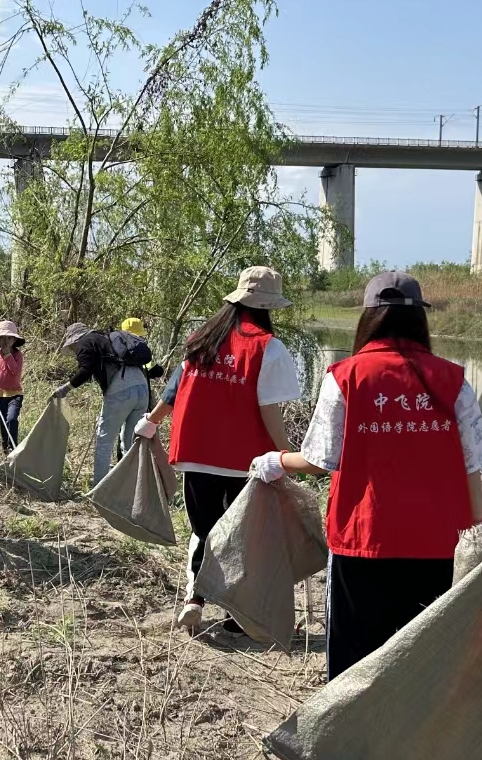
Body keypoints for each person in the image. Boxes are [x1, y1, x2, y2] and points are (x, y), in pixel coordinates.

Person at [254, 270, 482, 678]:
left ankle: (351, 723)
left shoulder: (345, 377)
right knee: (426, 664)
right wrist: (477, 531)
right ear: (420, 318)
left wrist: (277, 460)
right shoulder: (454, 381)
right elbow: (473, 466)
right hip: (437, 549)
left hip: (362, 544)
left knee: (353, 666)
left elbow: (319, 460)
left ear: (368, 318)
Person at [135, 267, 302, 632]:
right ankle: (235, 615)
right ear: (268, 307)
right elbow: (269, 409)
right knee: (242, 534)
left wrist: (151, 421)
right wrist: (286, 455)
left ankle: (195, 598)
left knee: (204, 529)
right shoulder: (268, 347)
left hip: (196, 452)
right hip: (246, 459)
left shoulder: (202, 339)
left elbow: (174, 389)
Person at [54, 322, 150, 487]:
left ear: (74, 340)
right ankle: (131, 488)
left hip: (120, 389)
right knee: (130, 442)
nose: (73, 351)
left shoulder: (85, 343)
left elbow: (85, 371)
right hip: (142, 388)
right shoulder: (105, 338)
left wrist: (65, 389)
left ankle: (99, 489)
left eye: (71, 347)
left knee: (104, 441)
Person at [0, 320, 25, 452]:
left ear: (14, 340)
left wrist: (8, 355)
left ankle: (13, 446)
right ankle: (5, 446)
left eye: (9, 338)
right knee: (2, 421)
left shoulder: (17, 355)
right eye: (2, 338)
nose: (5, 341)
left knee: (11, 419)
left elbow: (15, 371)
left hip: (15, 395)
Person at [120, 317, 166, 411]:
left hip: (119, 399)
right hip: (139, 401)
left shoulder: (116, 348)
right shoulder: (140, 352)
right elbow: (158, 371)